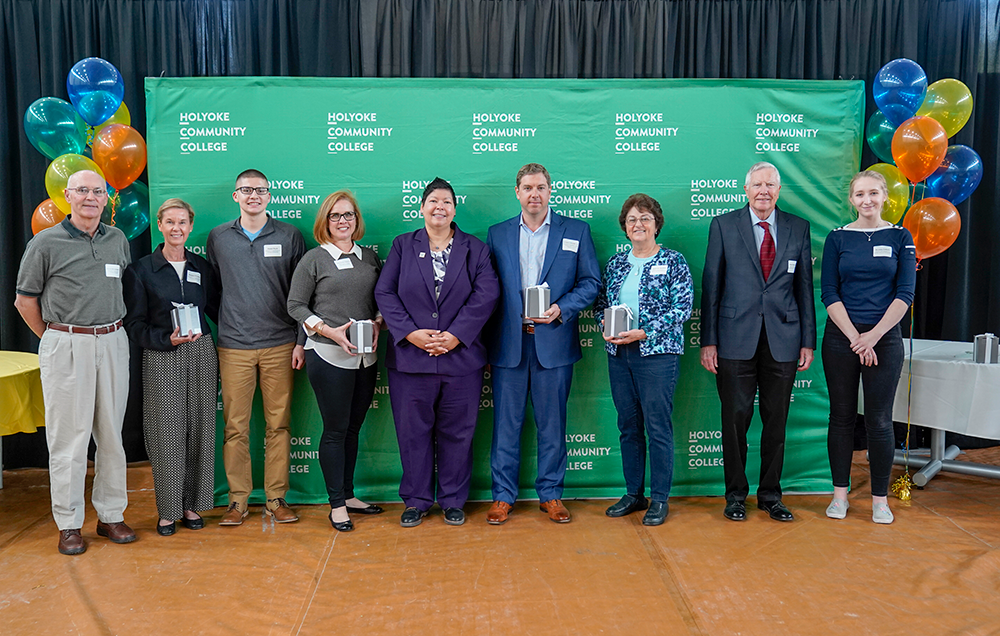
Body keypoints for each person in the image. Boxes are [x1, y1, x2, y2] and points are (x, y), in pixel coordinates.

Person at [14, 169, 137, 555]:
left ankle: (111, 515)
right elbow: (24, 301)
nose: (90, 197)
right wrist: (56, 338)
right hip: (67, 343)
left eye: (97, 191)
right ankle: (69, 524)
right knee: (69, 440)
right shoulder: (45, 243)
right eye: (82, 190)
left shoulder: (117, 240)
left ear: (106, 198)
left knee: (112, 436)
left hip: (114, 340)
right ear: (67, 195)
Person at [375, 178, 500, 527]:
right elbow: (385, 293)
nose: (439, 207)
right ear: (422, 207)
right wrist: (411, 333)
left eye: (446, 201)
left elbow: (486, 294)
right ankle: (416, 500)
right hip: (410, 360)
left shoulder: (475, 248)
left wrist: (456, 335)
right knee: (412, 433)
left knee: (458, 432)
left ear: (455, 209)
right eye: (433, 201)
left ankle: (452, 500)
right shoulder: (403, 245)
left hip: (461, 360)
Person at [485, 163, 601, 524]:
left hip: (554, 342)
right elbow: (486, 289)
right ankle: (503, 496)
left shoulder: (576, 231)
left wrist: (560, 309)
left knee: (553, 424)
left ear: (550, 191)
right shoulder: (497, 234)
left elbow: (591, 283)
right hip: (510, 343)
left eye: (541, 187)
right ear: (517, 192)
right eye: (527, 188)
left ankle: (551, 494)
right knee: (506, 424)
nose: (534, 194)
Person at [700, 161, 816, 523]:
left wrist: (807, 340)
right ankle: (735, 495)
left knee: (776, 421)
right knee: (735, 420)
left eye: (771, 185)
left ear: (778, 191)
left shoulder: (798, 227)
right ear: (746, 190)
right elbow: (712, 286)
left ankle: (771, 495)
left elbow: (805, 290)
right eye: (757, 184)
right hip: (734, 339)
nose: (764, 191)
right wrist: (709, 341)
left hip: (784, 339)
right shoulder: (723, 225)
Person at [207, 169, 306, 526]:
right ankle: (237, 501)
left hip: (280, 345)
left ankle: (276, 498)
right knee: (235, 427)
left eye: (260, 190)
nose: (253, 196)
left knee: (278, 425)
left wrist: (300, 340)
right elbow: (215, 289)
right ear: (235, 196)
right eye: (246, 190)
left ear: (269, 195)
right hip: (233, 346)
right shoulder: (218, 237)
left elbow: (301, 295)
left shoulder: (290, 236)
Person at [821, 170, 916, 524]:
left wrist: (872, 336)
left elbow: (905, 293)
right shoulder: (837, 239)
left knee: (878, 421)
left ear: (885, 196)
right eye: (860, 194)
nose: (866, 200)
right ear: (851, 199)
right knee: (841, 417)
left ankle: (880, 500)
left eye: (873, 193)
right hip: (840, 338)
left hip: (884, 339)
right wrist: (854, 338)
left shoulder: (901, 236)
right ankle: (839, 496)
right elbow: (829, 292)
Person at [287, 191, 384, 532]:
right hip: (328, 355)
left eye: (349, 215)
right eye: (335, 216)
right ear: (324, 222)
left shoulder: (369, 258)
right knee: (335, 430)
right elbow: (296, 306)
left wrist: (376, 321)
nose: (343, 221)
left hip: (365, 357)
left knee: (353, 428)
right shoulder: (314, 259)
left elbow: (381, 299)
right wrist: (328, 332)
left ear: (357, 220)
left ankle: (349, 493)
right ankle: (336, 505)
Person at [594, 194, 693, 526]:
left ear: (656, 224)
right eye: (632, 220)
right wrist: (605, 328)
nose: (638, 224)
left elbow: (682, 308)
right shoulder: (616, 264)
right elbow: (600, 305)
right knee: (628, 426)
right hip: (619, 354)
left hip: (657, 355)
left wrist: (644, 331)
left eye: (645, 218)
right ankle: (634, 493)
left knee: (657, 426)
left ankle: (660, 498)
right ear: (625, 227)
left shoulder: (674, 261)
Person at [122, 199, 219, 536]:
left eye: (183, 222)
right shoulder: (141, 270)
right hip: (163, 354)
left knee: (201, 429)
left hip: (202, 352)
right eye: (170, 222)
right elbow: (133, 324)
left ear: (191, 227)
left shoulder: (202, 267)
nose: (177, 228)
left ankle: (192, 504)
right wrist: (166, 339)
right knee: (166, 432)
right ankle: (167, 510)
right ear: (159, 225)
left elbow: (219, 310)